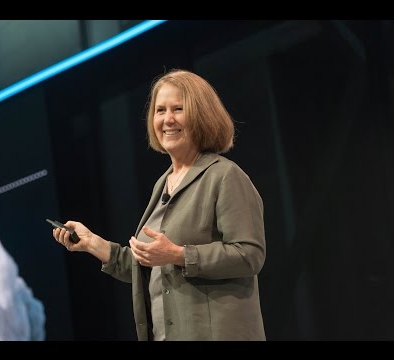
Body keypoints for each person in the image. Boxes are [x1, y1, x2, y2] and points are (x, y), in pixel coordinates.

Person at [52, 69, 266, 341]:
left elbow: (250, 255)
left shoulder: (224, 176)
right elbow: (151, 265)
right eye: (160, 110)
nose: (168, 119)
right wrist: (93, 243)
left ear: (201, 115)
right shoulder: (162, 184)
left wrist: (178, 254)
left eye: (178, 109)